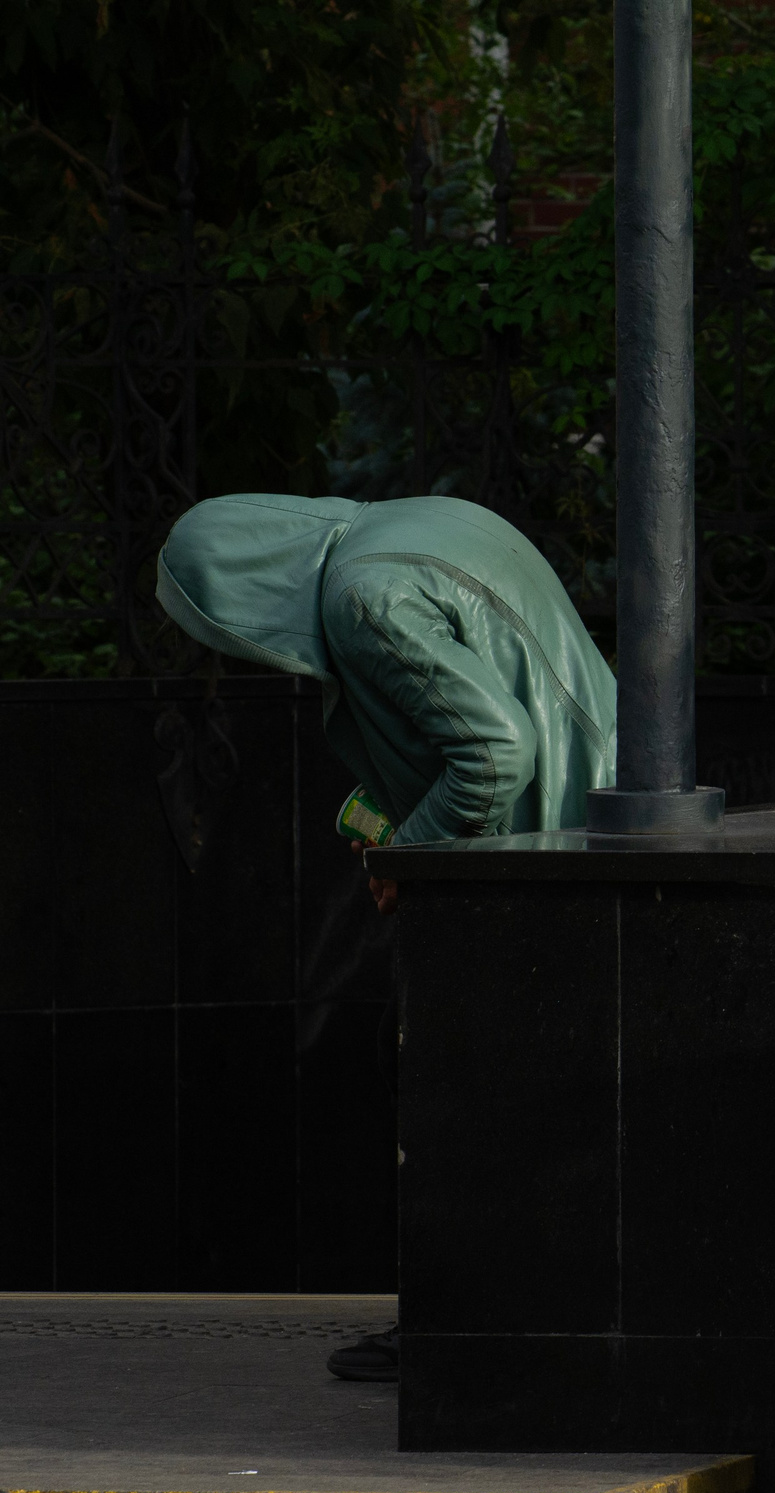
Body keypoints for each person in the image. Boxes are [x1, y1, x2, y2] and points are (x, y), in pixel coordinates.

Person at [156, 492, 618, 1383]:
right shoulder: (417, 520)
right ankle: (484, 1323)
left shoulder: (359, 596)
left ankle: (461, 1331)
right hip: (592, 832)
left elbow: (494, 750)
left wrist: (406, 855)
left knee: (442, 1084)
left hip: (531, 865)